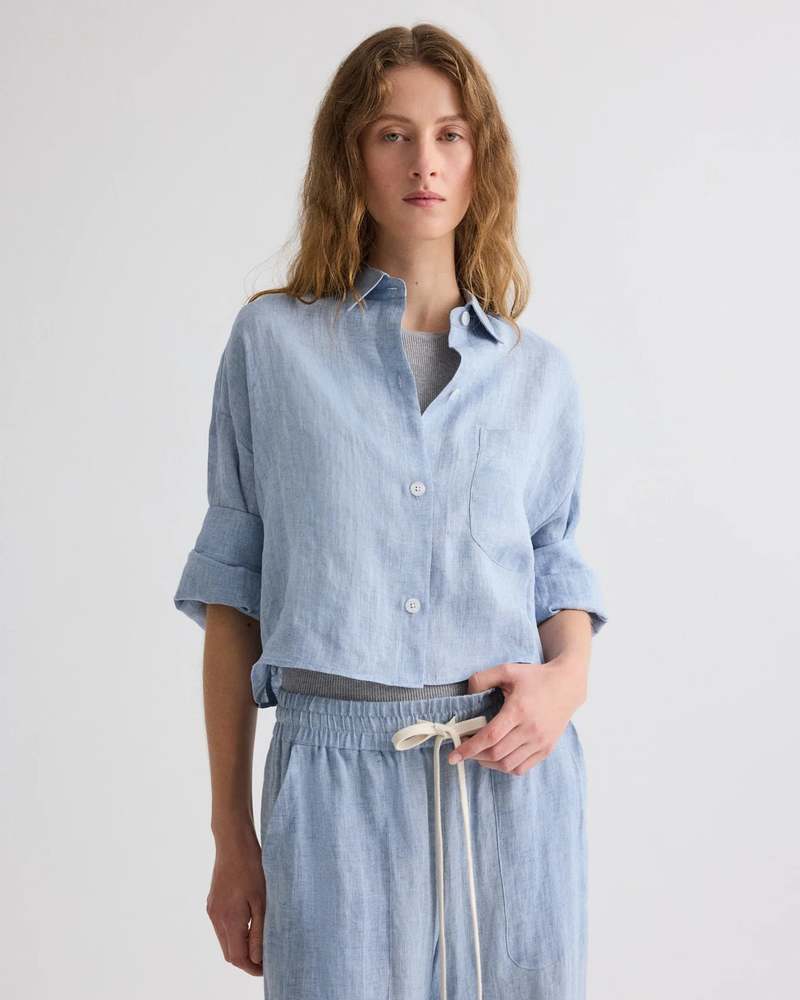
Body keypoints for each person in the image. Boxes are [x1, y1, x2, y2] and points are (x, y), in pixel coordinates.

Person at [173, 22, 608, 1000]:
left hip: (509, 773)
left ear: (480, 158)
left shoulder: (536, 375)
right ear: (351, 157)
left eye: (450, 134)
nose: (425, 162)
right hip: (331, 785)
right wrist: (232, 837)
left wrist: (566, 683)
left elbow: (555, 567)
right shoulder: (271, 345)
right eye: (392, 134)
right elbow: (232, 593)